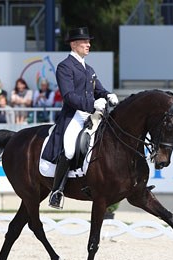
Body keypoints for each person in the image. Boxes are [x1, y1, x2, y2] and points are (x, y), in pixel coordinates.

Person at [46, 27, 119, 209]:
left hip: (92, 113)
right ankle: (57, 191)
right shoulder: (65, 66)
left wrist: (108, 95)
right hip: (74, 115)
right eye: (85, 42)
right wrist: (91, 104)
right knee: (70, 149)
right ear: (74, 44)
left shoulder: (89, 68)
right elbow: (69, 96)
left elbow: (98, 89)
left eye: (88, 42)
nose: (88, 45)